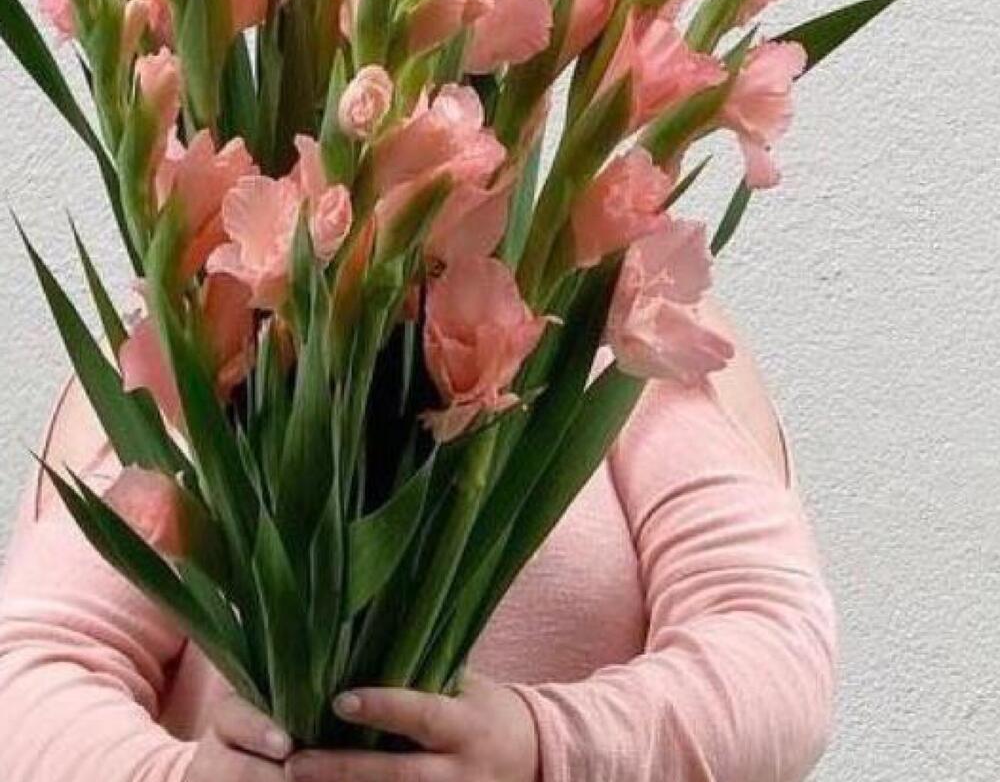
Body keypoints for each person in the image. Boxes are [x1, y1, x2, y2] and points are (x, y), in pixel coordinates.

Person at [0, 302, 836, 782]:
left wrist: (543, 747)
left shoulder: (621, 340)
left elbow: (773, 648)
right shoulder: (226, 342)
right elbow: (31, 672)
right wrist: (185, 779)